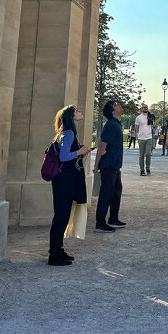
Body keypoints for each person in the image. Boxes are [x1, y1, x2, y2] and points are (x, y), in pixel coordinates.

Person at [48, 105, 90, 265]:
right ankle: (54, 254)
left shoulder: (64, 133)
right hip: (64, 180)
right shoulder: (69, 133)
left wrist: (82, 151)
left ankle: (58, 250)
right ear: (72, 116)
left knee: (61, 216)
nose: (80, 112)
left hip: (62, 179)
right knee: (61, 217)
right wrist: (79, 152)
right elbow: (65, 157)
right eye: (77, 111)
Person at [94, 99, 126, 233]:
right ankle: (100, 223)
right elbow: (102, 146)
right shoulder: (111, 125)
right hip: (108, 164)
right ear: (114, 111)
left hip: (114, 164)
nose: (119, 105)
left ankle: (113, 218)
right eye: (116, 105)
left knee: (116, 190)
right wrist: (96, 165)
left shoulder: (117, 124)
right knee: (106, 193)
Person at [135, 102, 153, 176]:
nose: (145, 108)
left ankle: (148, 167)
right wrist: (138, 134)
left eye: (146, 107)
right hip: (141, 138)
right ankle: (142, 170)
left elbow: (152, 125)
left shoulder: (150, 117)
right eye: (144, 107)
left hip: (149, 137)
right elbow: (136, 127)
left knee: (148, 154)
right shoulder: (138, 118)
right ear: (142, 109)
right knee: (141, 155)